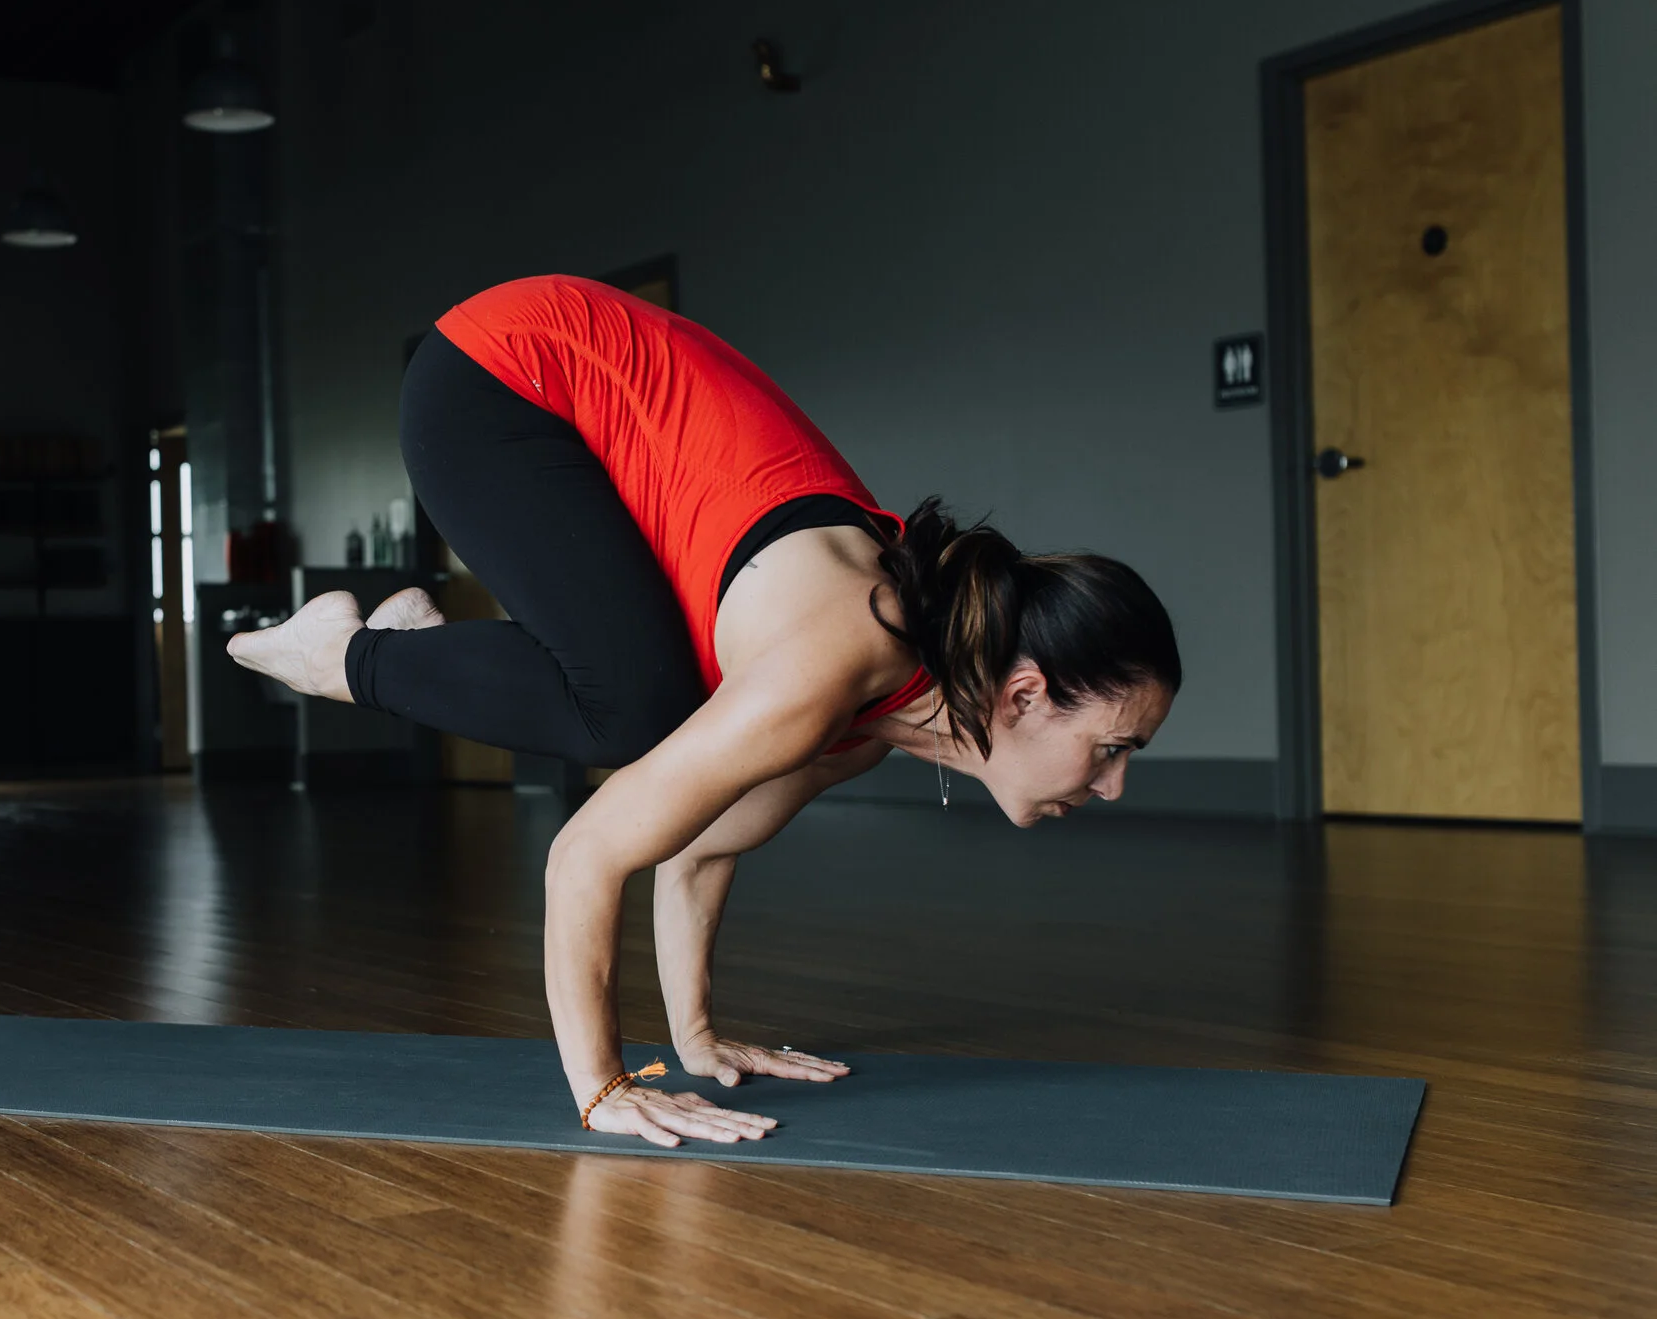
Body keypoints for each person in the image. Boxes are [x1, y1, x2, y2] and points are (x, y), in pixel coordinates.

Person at [230, 276, 1181, 1150]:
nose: (1114, 782)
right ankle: (340, 653)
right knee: (635, 719)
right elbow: (587, 853)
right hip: (498, 375)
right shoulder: (839, 656)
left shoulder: (863, 729)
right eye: (1110, 747)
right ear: (1024, 694)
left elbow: (697, 843)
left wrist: (696, 1038)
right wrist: (603, 1087)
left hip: (568, 389)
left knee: (658, 718)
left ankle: (409, 641)